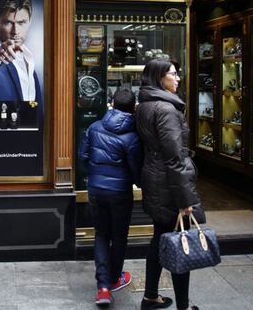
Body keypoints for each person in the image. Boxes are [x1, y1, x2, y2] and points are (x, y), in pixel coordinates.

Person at [135, 59, 202, 310]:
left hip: (155, 179)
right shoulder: (165, 109)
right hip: (170, 185)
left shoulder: (145, 105)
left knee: (160, 238)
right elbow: (174, 157)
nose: (178, 78)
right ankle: (183, 306)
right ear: (158, 78)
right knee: (180, 243)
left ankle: (150, 296)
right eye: (173, 74)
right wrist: (185, 200)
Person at [79, 88, 143, 307]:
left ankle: (103, 288)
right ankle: (115, 279)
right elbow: (136, 169)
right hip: (120, 192)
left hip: (96, 189)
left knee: (101, 235)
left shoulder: (95, 127)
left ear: (112, 105)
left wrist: (95, 174)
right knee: (119, 236)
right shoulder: (133, 136)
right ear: (133, 108)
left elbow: (83, 157)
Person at [0, 0, 42, 107]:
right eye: (8, 23)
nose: (15, 31)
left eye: (21, 23)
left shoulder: (29, 59)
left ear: (30, 21)